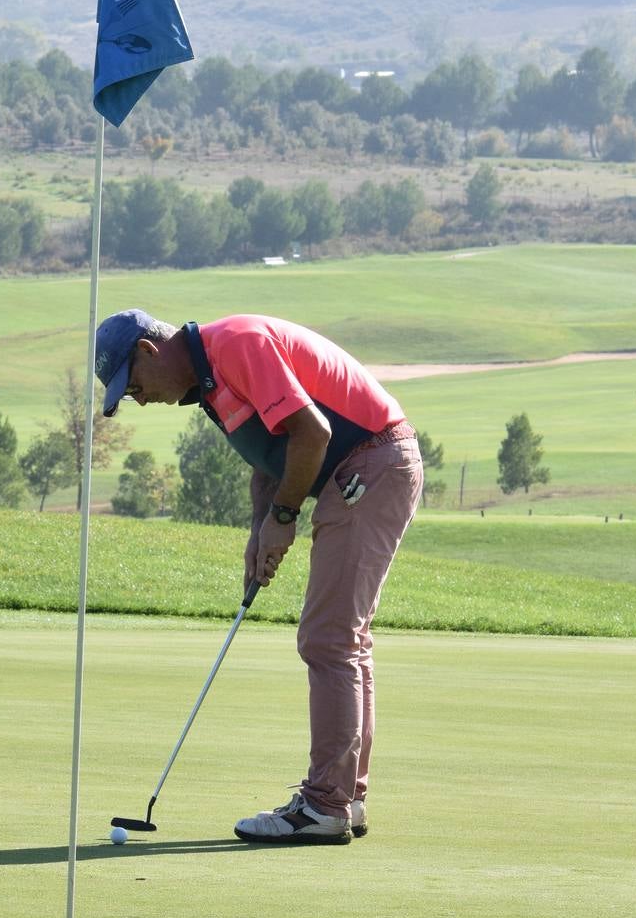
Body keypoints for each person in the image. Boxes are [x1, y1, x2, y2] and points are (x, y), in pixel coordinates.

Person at [93, 309, 422, 845]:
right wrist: (259, 528)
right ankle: (345, 799)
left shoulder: (238, 345)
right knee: (344, 639)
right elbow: (270, 455)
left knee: (329, 638)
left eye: (132, 387)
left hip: (371, 462)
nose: (138, 399)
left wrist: (284, 519)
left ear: (149, 354)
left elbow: (311, 432)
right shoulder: (208, 381)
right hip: (366, 467)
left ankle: (323, 806)